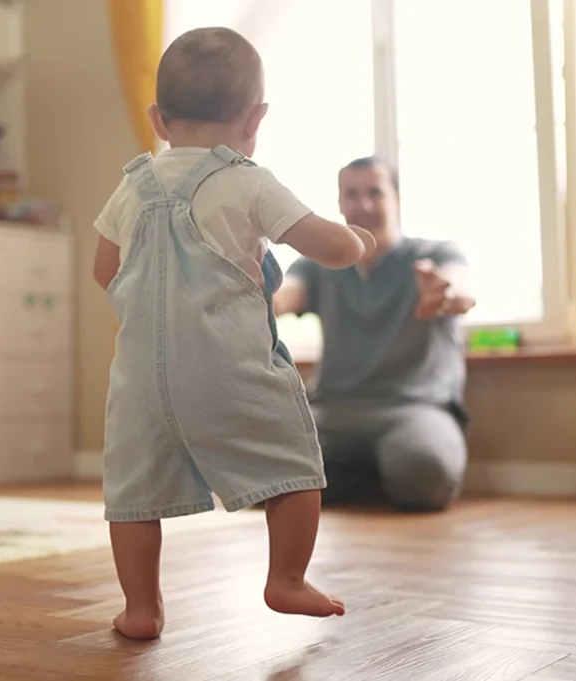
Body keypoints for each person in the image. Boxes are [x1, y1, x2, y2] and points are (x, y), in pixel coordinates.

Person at [92, 27, 376, 640]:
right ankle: (287, 579)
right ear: (256, 118)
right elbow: (328, 248)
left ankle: (141, 608)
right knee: (296, 464)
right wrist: (357, 240)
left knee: (134, 496)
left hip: (139, 383)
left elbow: (103, 271)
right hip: (229, 371)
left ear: (158, 119)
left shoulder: (131, 186)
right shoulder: (248, 180)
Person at [274, 156, 477, 513]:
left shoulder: (435, 254)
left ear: (396, 199)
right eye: (351, 195)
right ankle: (364, 476)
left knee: (425, 474)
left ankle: (351, 478)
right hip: (332, 412)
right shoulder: (317, 266)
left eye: (374, 193)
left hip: (414, 409)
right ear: (339, 203)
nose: (362, 205)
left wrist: (443, 293)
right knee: (266, 473)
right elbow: (283, 296)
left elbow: (460, 291)